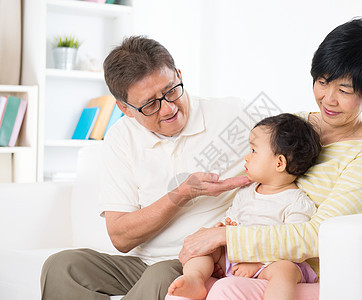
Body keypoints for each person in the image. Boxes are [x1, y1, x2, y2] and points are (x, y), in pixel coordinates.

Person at [173, 17, 362, 300]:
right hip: (251, 261)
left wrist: (226, 238)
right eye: (322, 82)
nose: (328, 98)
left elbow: (320, 235)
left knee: (226, 290)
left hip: (307, 275)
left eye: (344, 91)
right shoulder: (295, 125)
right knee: (182, 288)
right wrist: (219, 234)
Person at [40, 36, 254, 300]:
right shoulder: (121, 137)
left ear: (178, 74)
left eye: (172, 90)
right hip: (140, 265)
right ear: (125, 109)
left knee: (161, 277)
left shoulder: (232, 114)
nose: (168, 108)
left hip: (196, 263)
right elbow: (120, 237)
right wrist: (181, 194)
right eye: (150, 104)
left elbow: (291, 140)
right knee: (61, 267)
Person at [167, 113, 321, 300]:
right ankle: (195, 279)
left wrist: (258, 264)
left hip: (272, 263)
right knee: (206, 248)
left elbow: (292, 245)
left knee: (285, 269)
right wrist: (224, 228)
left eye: (254, 151)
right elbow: (232, 219)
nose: (247, 157)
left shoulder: (297, 202)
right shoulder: (246, 192)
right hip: (236, 258)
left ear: (279, 163)